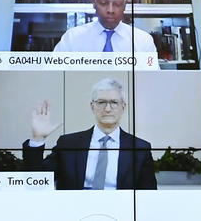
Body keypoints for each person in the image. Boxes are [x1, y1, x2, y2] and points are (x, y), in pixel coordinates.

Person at [22, 77, 156, 190]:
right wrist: (37, 139)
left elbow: (149, 198)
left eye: (114, 102)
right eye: (101, 102)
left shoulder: (140, 148)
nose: (107, 109)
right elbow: (36, 182)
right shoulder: (69, 143)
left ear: (123, 107)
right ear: (92, 107)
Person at [53, 0, 160, 68]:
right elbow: (53, 76)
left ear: (125, 5)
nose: (110, 10)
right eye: (104, 3)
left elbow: (151, 81)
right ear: (94, 3)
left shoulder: (143, 41)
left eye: (117, 4)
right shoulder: (72, 38)